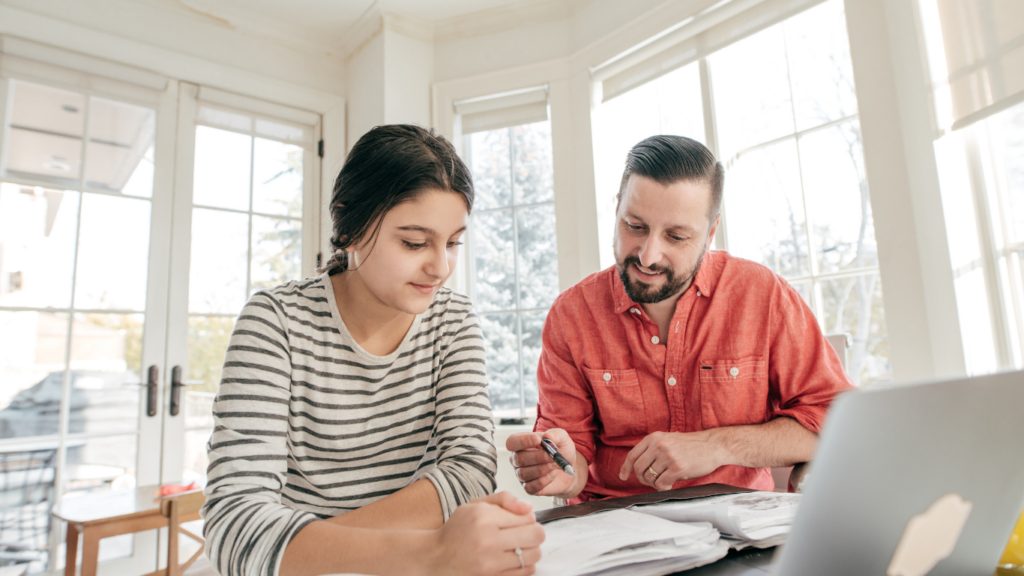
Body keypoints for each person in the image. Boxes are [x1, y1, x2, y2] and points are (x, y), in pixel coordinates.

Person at [202, 125, 544, 576]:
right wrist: (429, 553)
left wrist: (310, 549)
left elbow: (468, 469)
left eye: (453, 242)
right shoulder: (275, 321)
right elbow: (235, 524)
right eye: (414, 242)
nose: (440, 267)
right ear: (350, 229)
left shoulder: (453, 320)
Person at [507, 135, 854, 504]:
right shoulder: (572, 315)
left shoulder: (762, 294)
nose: (648, 255)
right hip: (614, 532)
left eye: (676, 236)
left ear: (710, 232)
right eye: (635, 226)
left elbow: (839, 422)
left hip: (739, 528)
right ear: (617, 211)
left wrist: (717, 446)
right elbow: (570, 459)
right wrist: (557, 469)